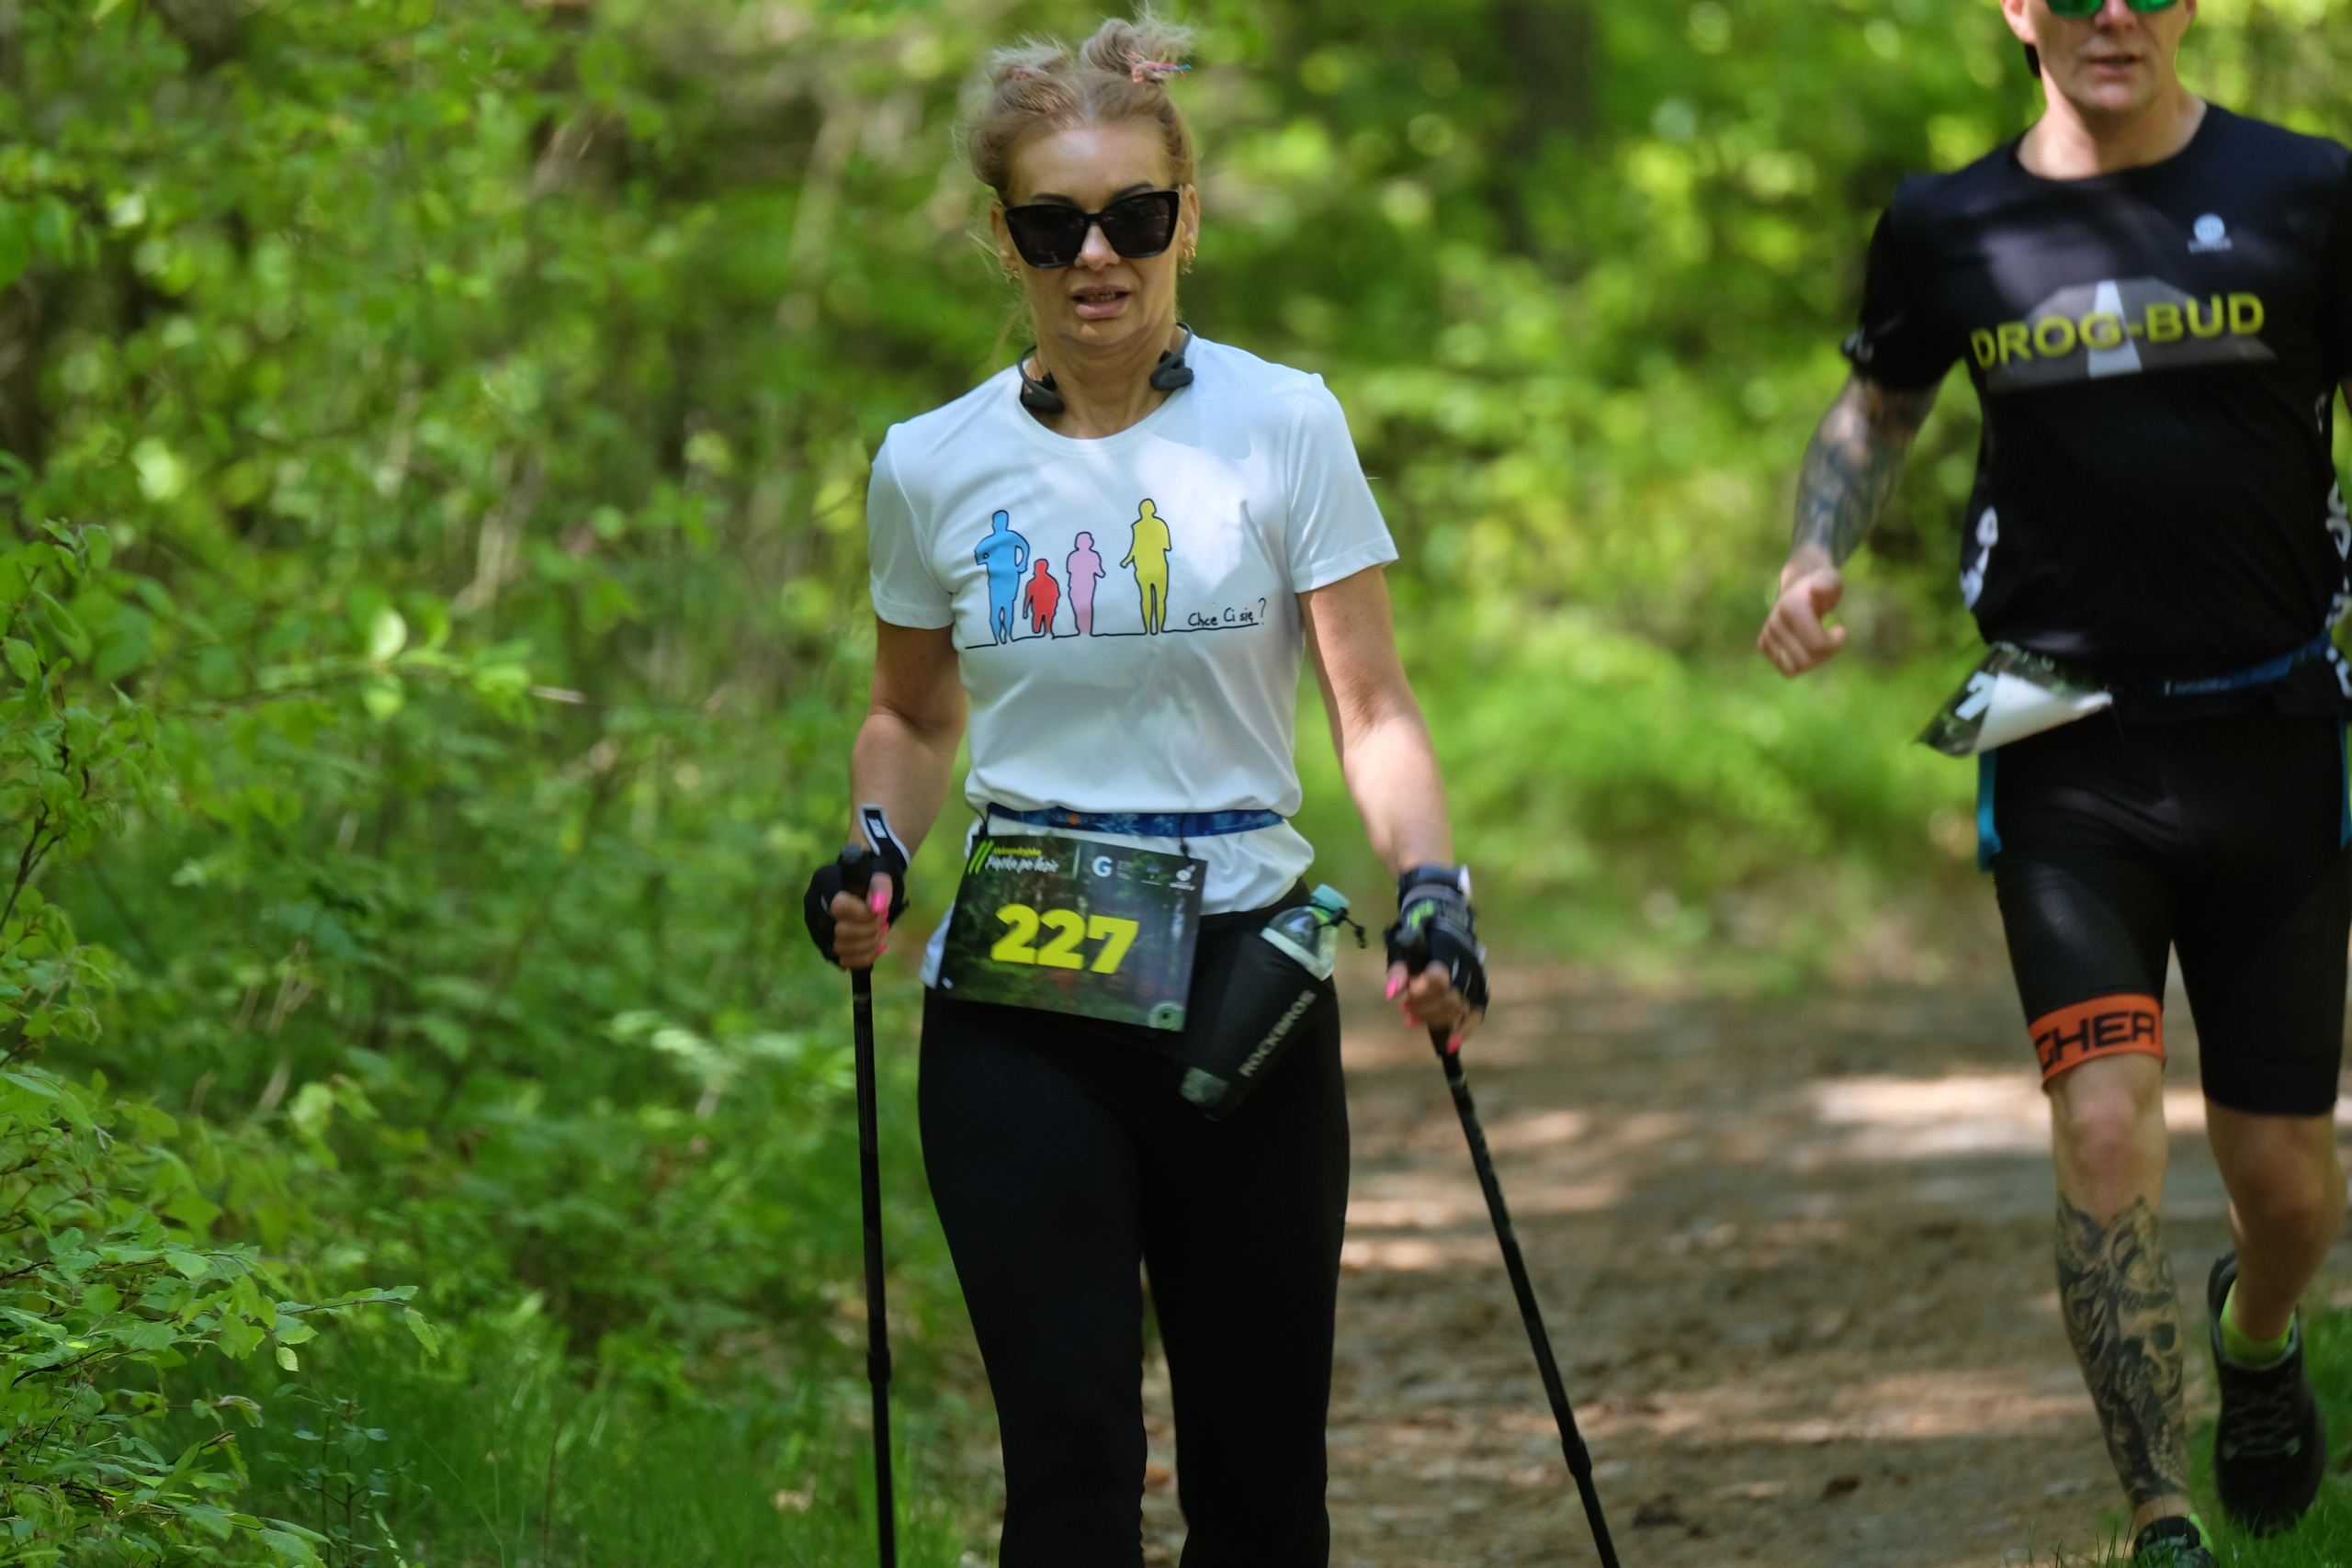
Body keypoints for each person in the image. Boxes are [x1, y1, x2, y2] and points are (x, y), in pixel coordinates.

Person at [800, 16, 1487, 1563]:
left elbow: (1371, 708)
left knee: (1258, 1485)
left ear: (1187, 220)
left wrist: (1433, 890)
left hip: (1246, 982)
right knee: (1067, 1462)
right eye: (1054, 226)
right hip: (1023, 999)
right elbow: (908, 719)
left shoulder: (1283, 423)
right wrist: (871, 854)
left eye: (1133, 217)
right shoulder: (930, 461)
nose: (1095, 256)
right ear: (1005, 241)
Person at [1758, 1, 2352, 1561]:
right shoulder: (1951, 222)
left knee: (2288, 1185)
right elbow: (1881, 398)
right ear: (2015, 8)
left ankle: (2262, 1337)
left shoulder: (2309, 190)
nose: (2112, 13)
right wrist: (1819, 547)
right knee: (2101, 1131)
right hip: (2066, 745)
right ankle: (2160, 1513)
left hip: (2276, 739)